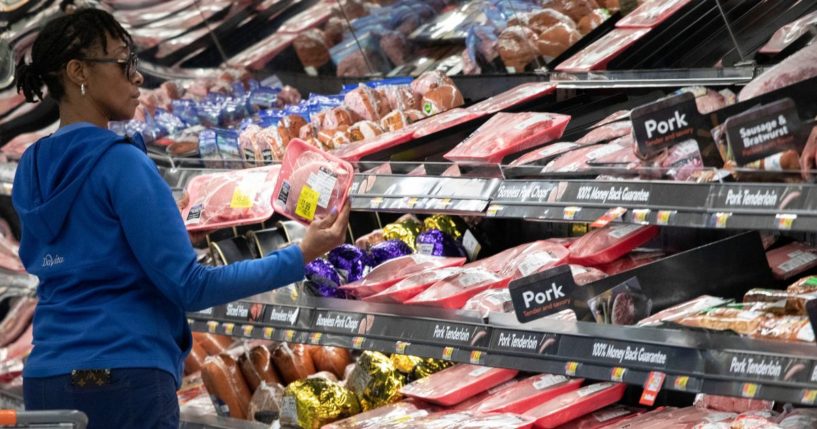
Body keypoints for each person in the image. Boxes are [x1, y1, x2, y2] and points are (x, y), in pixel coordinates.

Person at [12, 8, 349, 428]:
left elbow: (59, 260)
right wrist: (301, 254)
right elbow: (191, 286)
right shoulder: (121, 164)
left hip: (45, 378)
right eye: (123, 62)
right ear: (78, 71)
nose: (137, 77)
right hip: (123, 378)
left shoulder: (32, 165)